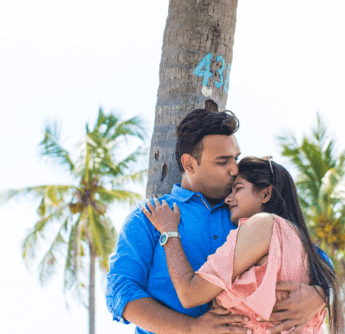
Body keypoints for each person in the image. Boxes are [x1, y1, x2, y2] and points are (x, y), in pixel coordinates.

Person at [106, 109, 330, 334]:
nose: (234, 169)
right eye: (223, 162)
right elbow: (121, 291)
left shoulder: (247, 213)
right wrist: (192, 328)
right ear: (190, 164)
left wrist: (321, 295)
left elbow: (315, 260)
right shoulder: (150, 217)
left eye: (236, 158)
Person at [142, 157, 343, 334]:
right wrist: (324, 293)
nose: (228, 199)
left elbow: (189, 293)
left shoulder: (262, 224)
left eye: (238, 189)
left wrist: (169, 231)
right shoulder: (301, 247)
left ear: (266, 194)